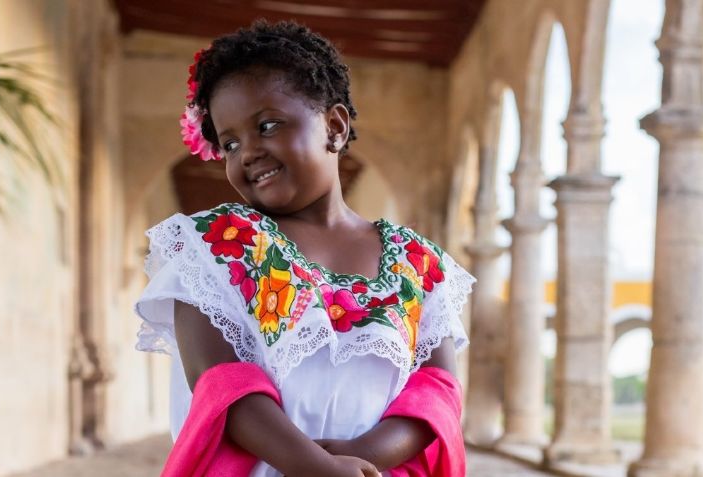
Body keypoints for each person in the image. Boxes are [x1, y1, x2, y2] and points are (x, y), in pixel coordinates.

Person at [134, 20, 475, 477]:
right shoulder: (216, 245)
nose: (248, 152)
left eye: (268, 125)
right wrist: (314, 466)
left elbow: (437, 387)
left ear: (334, 127)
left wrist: (364, 455)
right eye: (230, 143)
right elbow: (222, 382)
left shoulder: (418, 262)